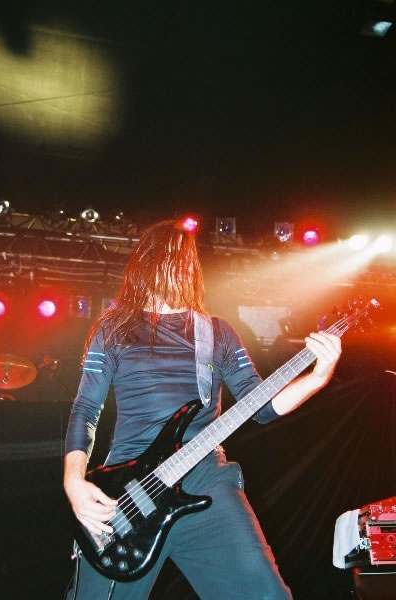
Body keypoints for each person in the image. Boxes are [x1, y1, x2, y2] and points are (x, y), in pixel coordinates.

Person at [64, 218, 341, 600]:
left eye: (187, 259)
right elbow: (85, 408)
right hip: (126, 491)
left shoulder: (217, 332)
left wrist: (318, 377)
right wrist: (74, 482)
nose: (181, 266)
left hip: (205, 479)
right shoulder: (113, 329)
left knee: (265, 595)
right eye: (170, 256)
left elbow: (260, 406)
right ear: (147, 261)